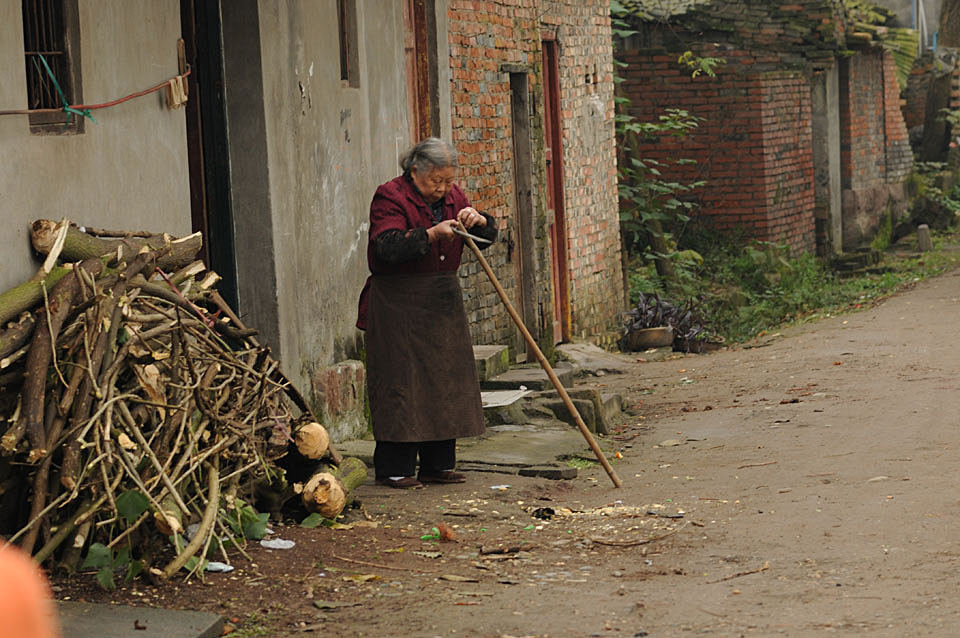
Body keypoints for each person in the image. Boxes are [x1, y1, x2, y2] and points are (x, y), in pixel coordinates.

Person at [357, 137, 497, 489]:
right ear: (415, 170)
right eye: (437, 181)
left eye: (449, 181)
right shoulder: (390, 196)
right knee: (401, 385)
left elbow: (486, 236)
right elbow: (385, 246)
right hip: (398, 303)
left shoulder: (453, 197)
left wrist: (478, 220)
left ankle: (438, 465)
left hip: (441, 301)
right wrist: (431, 233)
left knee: (444, 384)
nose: (444, 189)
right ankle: (394, 468)